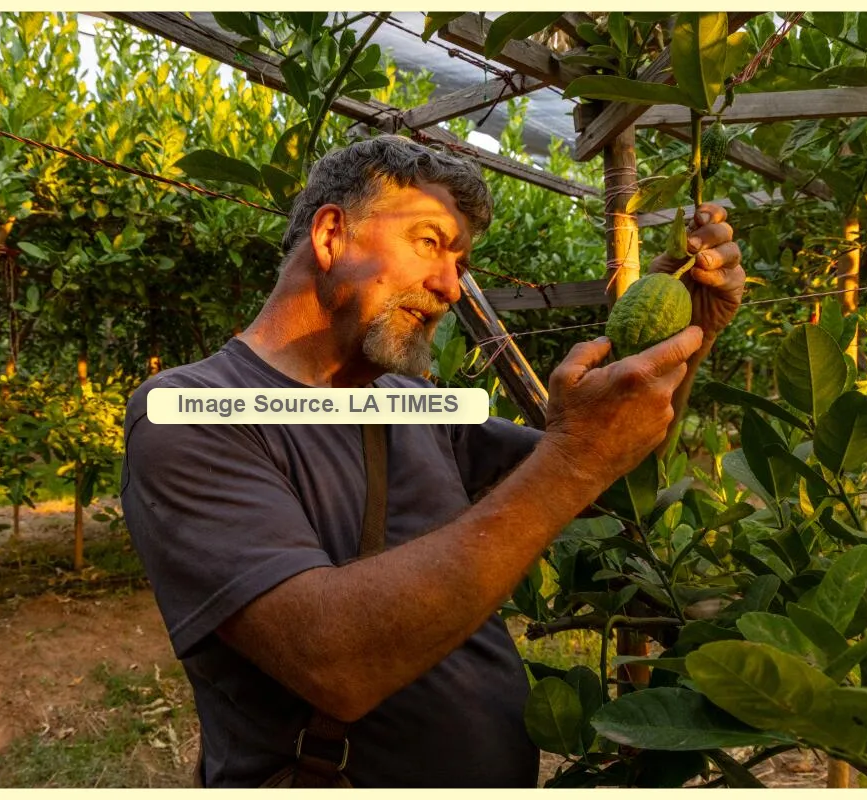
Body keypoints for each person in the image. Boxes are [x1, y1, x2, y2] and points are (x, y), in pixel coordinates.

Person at [120, 135, 744, 787]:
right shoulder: (188, 412)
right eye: (428, 242)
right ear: (332, 235)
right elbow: (333, 661)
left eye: (461, 259)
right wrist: (575, 458)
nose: (452, 285)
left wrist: (685, 336)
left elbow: (599, 485)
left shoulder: (415, 404)